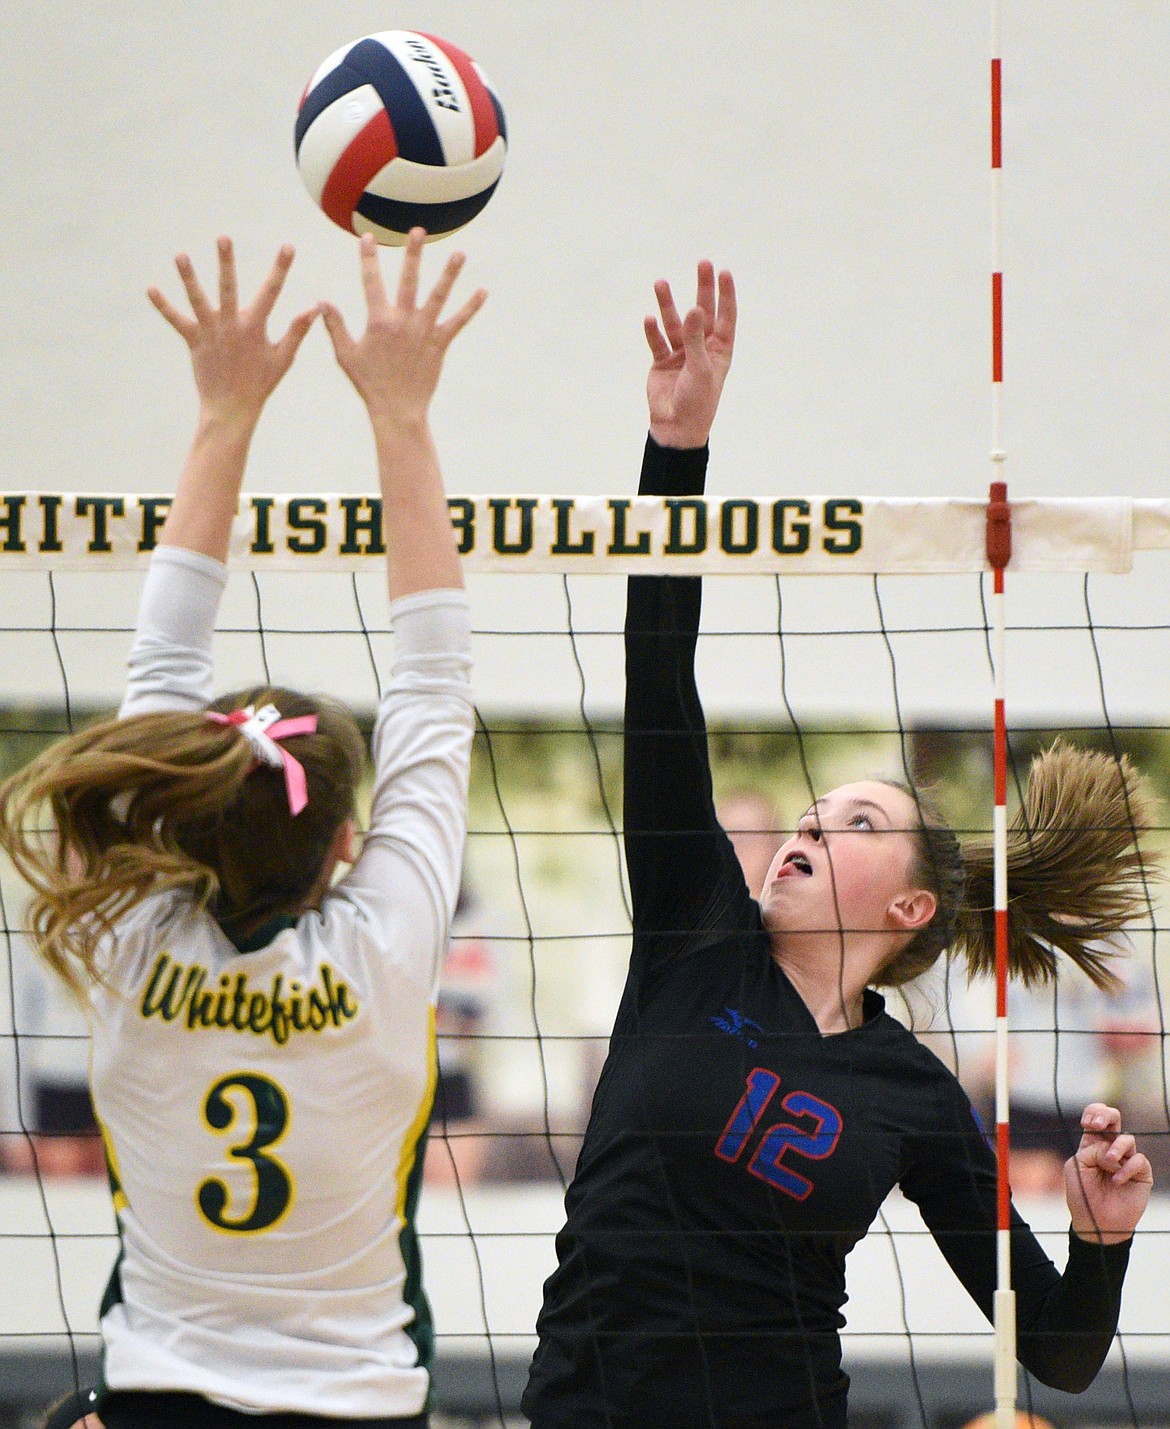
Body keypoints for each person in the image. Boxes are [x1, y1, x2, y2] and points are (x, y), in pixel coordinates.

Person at [521, 264, 1155, 1429]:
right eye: (819, 808)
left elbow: (1059, 1352)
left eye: (857, 823)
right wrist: (679, 450)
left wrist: (1103, 1239)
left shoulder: (910, 1092)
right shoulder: (694, 932)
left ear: (911, 910)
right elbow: (658, 679)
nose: (812, 822)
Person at [0, 228, 483, 1428]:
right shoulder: (380, 951)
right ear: (346, 847)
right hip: (355, 1401)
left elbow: (176, 660)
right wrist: (402, 414)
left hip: (163, 1396)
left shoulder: (127, 936)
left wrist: (222, 413)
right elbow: (432, 680)